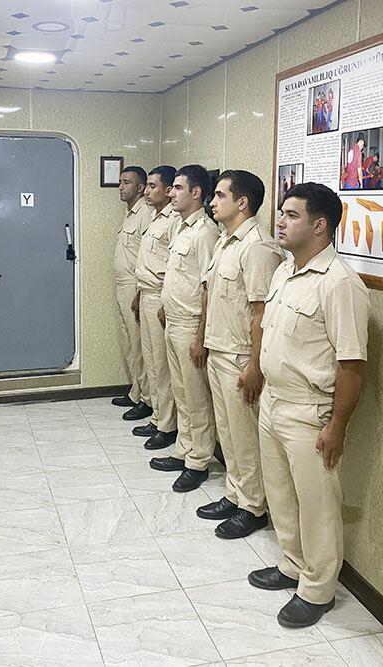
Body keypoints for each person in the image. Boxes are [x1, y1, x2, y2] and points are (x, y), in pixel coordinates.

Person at [248, 182, 370, 629]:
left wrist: (337, 426)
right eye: (281, 213)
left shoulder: (340, 283)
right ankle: (292, 565)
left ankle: (318, 590)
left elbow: (352, 365)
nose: (280, 221)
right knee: (281, 494)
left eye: (291, 215)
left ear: (320, 225)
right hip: (274, 402)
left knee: (317, 505)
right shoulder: (285, 271)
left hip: (309, 410)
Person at [197, 170, 284, 539]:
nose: (212, 202)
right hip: (219, 349)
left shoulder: (258, 247)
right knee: (229, 432)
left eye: (220, 195)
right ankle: (235, 494)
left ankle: (253, 507)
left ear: (242, 202)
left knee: (245, 436)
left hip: (239, 356)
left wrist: (254, 365)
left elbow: (262, 312)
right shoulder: (225, 241)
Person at [149, 165, 220, 492]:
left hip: (191, 325)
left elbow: (207, 288)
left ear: (196, 193)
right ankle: (183, 448)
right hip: (173, 321)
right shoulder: (181, 226)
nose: (171, 193)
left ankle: (199, 460)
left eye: (178, 188)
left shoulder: (206, 233)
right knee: (181, 392)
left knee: (196, 398)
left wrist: (201, 336)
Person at [131, 165, 179, 449]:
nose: (147, 192)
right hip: (146, 293)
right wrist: (139, 294)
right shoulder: (155, 217)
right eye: (146, 186)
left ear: (169, 189)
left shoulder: (174, 221)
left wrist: (163, 301)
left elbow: (172, 267)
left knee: (162, 366)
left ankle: (167, 425)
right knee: (151, 360)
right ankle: (158, 416)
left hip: (160, 296)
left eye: (152, 186)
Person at [111, 166, 153, 421]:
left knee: (139, 346)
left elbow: (147, 257)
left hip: (134, 287)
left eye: (127, 182)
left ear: (140, 187)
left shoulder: (145, 214)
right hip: (122, 286)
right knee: (129, 343)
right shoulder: (130, 214)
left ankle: (146, 399)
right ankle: (136, 392)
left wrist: (139, 292)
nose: (121, 187)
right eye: (120, 182)